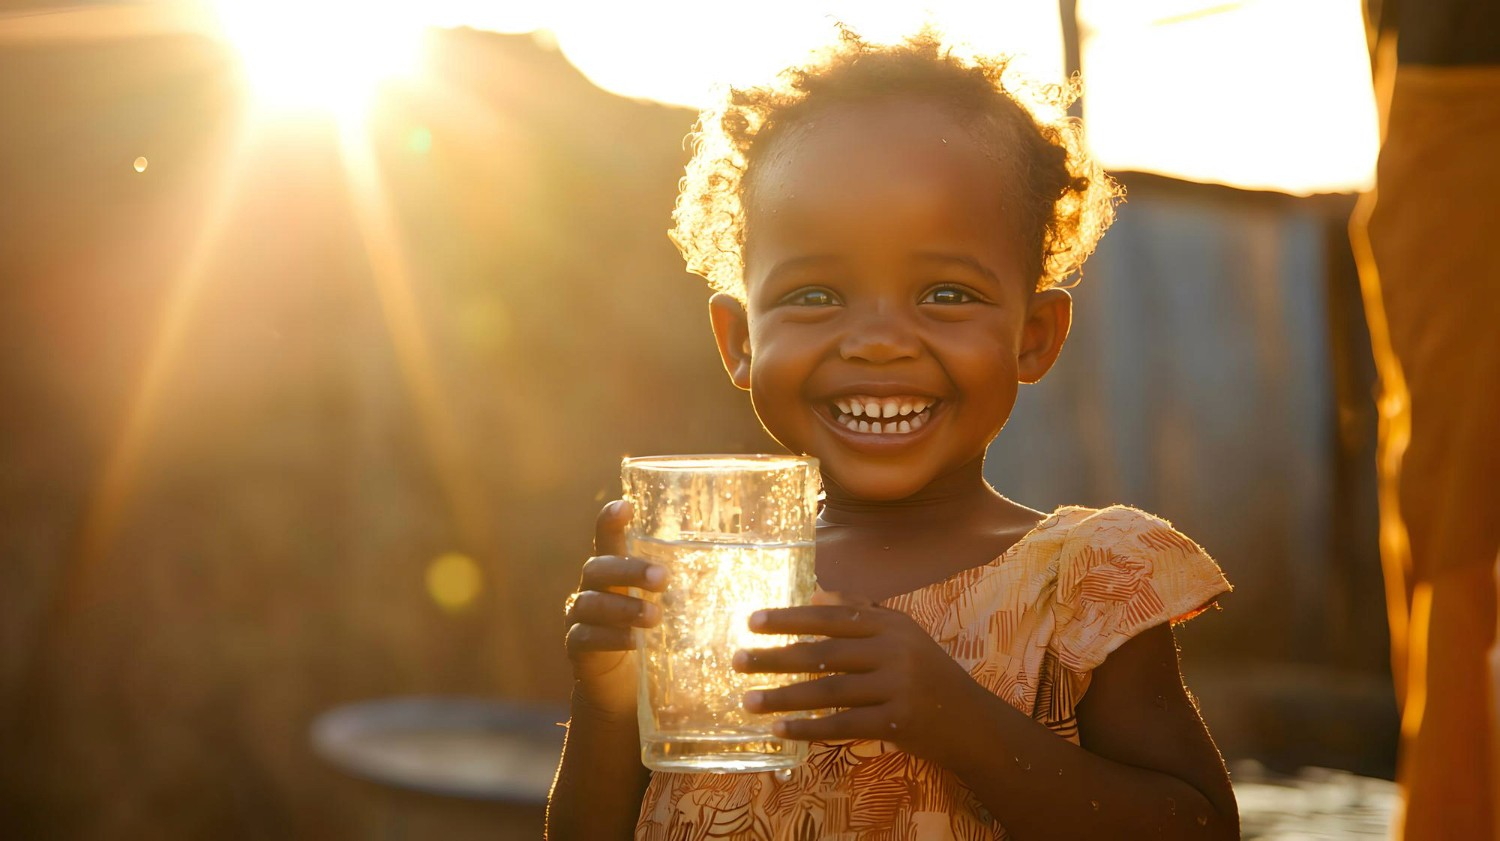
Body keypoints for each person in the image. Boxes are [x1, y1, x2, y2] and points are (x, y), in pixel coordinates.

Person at [548, 29, 1237, 840]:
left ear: (1035, 335)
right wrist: (608, 695)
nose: (877, 341)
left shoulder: (1086, 584)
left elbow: (1197, 830)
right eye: (813, 296)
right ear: (740, 341)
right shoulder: (713, 592)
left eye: (945, 292)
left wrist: (954, 718)